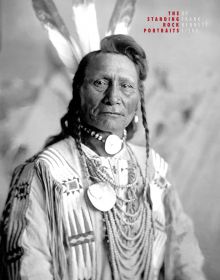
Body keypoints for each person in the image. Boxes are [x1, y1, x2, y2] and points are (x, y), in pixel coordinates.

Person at [0, 35, 206, 280]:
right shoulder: (43, 172)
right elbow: (28, 269)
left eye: (126, 85)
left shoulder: (156, 169)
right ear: (79, 92)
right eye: (100, 82)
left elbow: (186, 260)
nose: (113, 96)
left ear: (138, 98)